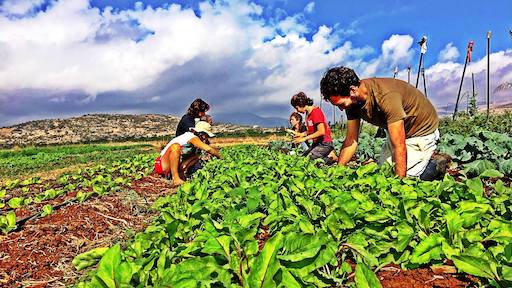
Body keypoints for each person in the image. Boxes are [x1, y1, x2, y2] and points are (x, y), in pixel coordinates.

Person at [319, 66, 448, 180]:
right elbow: (351, 140)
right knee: (384, 173)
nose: (341, 109)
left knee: (407, 178)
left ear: (352, 91)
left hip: (420, 132)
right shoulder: (352, 103)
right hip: (396, 131)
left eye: (341, 104)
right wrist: (337, 171)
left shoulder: (386, 97)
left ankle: (436, 163)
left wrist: (398, 187)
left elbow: (399, 145)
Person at [157, 121, 221, 187]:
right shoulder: (191, 137)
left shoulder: (195, 139)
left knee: (196, 156)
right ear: (199, 132)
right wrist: (221, 157)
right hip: (162, 165)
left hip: (173, 165)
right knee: (175, 146)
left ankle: (180, 173)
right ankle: (175, 179)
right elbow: (209, 149)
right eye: (205, 135)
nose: (206, 138)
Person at [290, 92, 334, 163]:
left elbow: (321, 131)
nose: (297, 111)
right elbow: (311, 131)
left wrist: (304, 138)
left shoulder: (315, 111)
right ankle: (327, 156)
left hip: (324, 144)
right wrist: (301, 135)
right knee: (302, 158)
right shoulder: (307, 114)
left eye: (296, 108)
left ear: (301, 104)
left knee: (309, 161)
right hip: (316, 144)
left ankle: (332, 158)